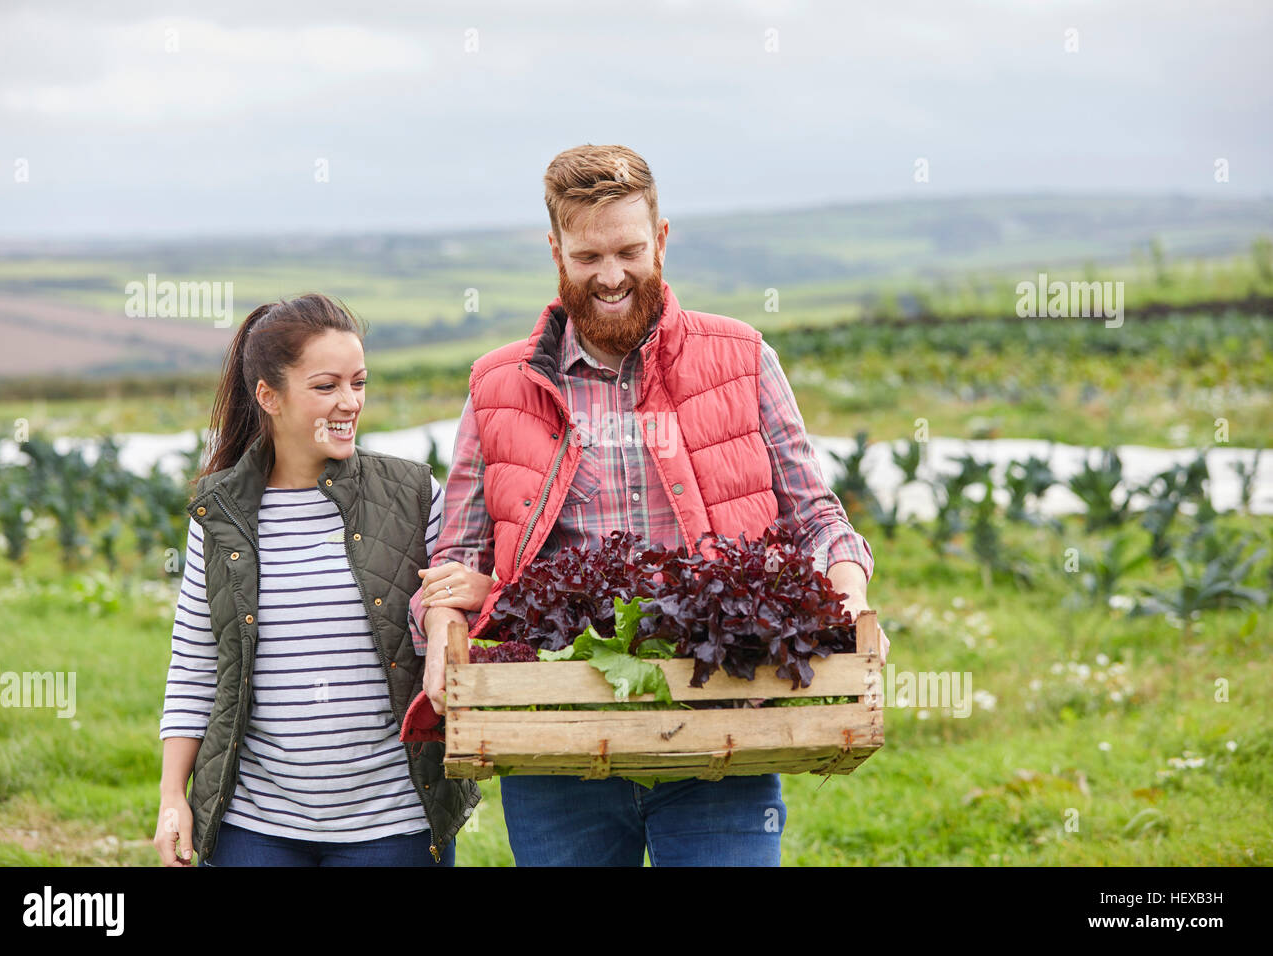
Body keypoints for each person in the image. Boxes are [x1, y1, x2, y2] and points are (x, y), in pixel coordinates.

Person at [413, 144, 889, 867]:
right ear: (556, 252)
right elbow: (456, 556)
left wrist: (848, 601)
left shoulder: (742, 356)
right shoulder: (499, 385)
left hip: (722, 727)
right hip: (556, 738)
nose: (610, 276)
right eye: (587, 257)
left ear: (661, 239)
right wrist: (443, 625)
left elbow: (816, 517)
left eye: (629, 250)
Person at [153, 293, 485, 867]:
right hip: (254, 826)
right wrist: (171, 797)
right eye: (326, 386)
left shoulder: (411, 495)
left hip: (395, 823)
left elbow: (458, 606)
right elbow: (195, 666)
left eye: (359, 383)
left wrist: (482, 587)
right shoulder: (222, 515)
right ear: (269, 396)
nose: (350, 402)